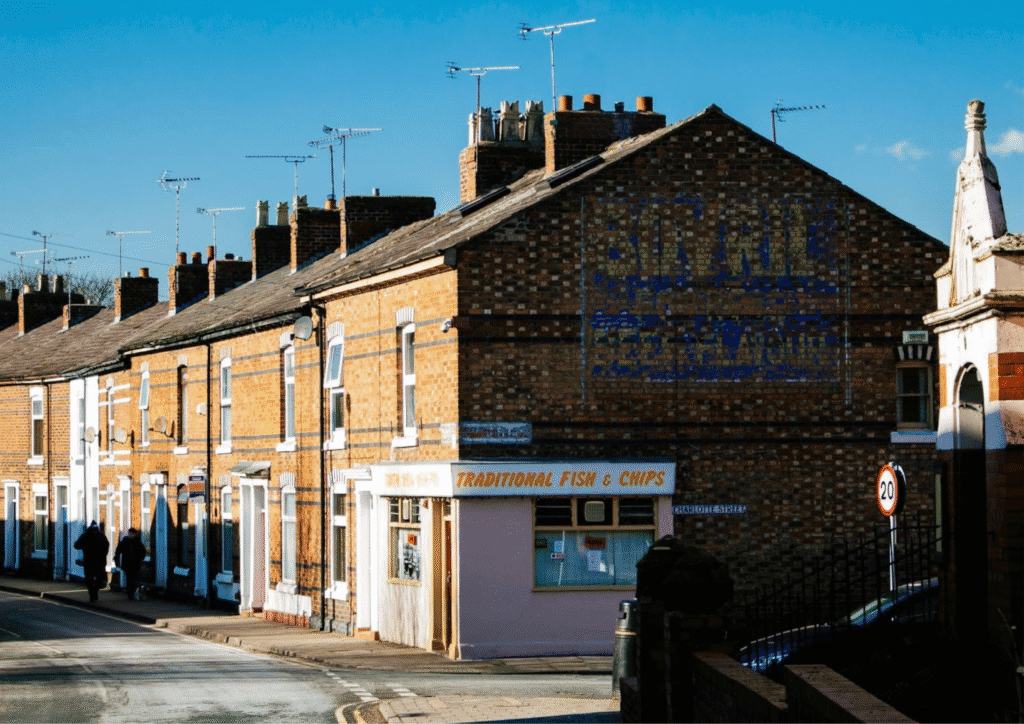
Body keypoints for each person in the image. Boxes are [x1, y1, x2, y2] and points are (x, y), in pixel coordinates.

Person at [74, 521, 109, 602]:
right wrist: (84, 546)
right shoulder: (85, 536)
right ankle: (92, 595)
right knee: (89, 580)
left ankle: (95, 591)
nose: (94, 532)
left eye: (95, 530)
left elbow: (106, 546)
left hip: (99, 561)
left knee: (100, 579)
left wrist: (103, 555)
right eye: (93, 530)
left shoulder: (101, 536)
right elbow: (76, 545)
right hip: (89, 561)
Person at [114, 527, 146, 600]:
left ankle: (132, 593)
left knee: (133, 579)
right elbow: (118, 550)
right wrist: (116, 558)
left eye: (133, 534)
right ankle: (130, 594)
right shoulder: (125, 541)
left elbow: (142, 551)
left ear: (135, 534)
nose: (131, 535)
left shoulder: (138, 542)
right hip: (127, 564)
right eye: (130, 534)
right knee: (129, 579)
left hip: (135, 564)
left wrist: (141, 559)